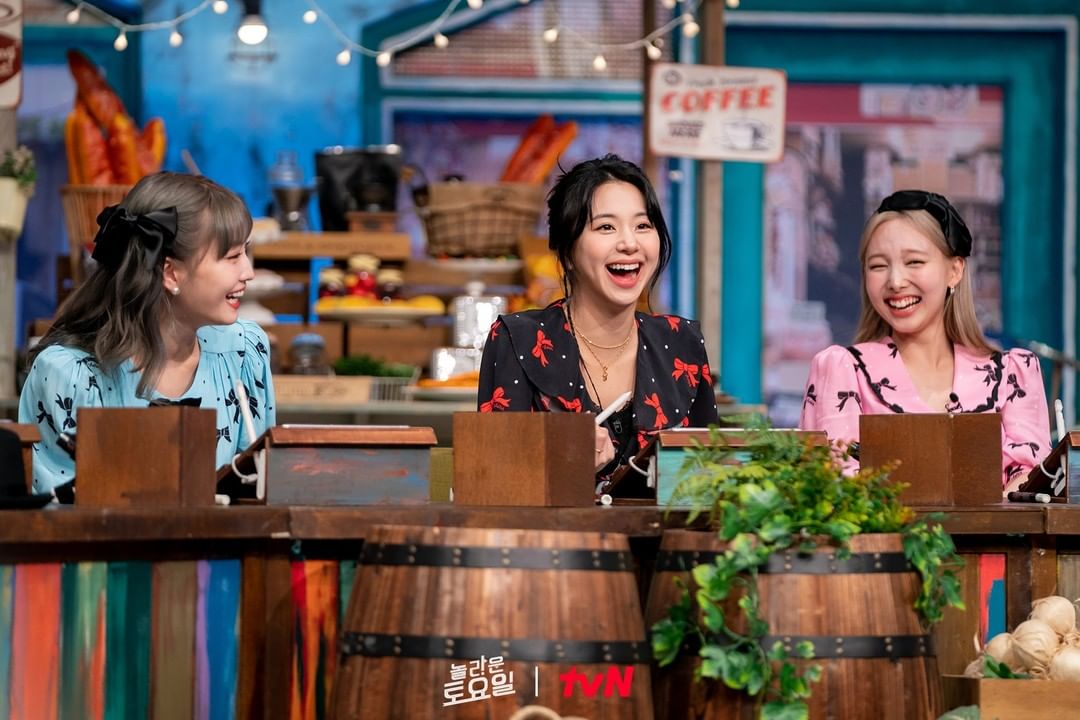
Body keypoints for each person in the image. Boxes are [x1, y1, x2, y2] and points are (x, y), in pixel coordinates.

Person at [19, 172, 276, 496]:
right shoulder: (68, 376)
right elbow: (56, 515)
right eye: (232, 257)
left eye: (246, 253)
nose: (248, 272)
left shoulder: (244, 351)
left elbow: (260, 493)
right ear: (171, 272)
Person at [477, 154, 718, 495]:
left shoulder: (682, 343)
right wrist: (560, 465)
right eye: (606, 227)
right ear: (566, 250)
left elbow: (708, 486)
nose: (629, 243)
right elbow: (490, 488)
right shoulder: (518, 339)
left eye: (643, 225)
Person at [799, 189, 1049, 494]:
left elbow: (1032, 480)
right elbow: (836, 487)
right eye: (878, 266)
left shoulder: (1013, 374)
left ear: (954, 271)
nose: (895, 281)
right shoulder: (842, 369)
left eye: (914, 262)